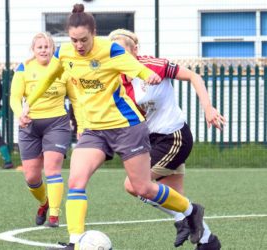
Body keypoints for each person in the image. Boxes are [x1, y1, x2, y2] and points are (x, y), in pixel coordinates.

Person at [24, 4, 207, 249]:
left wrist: (146, 76)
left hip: (126, 127)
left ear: (94, 32)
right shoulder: (65, 53)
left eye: (84, 40)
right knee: (76, 182)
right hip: (94, 130)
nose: (79, 45)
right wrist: (29, 105)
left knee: (142, 187)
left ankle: (190, 210)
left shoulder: (110, 50)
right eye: (74, 39)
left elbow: (136, 68)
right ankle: (75, 241)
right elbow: (49, 77)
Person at [109, 28, 224, 250]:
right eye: (114, 54)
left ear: (135, 51)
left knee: (134, 185)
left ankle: (184, 219)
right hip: (150, 141)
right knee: (176, 197)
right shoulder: (114, 79)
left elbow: (194, 76)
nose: (119, 58)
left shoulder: (153, 65)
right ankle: (208, 241)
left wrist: (208, 108)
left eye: (124, 52)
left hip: (174, 137)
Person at [10, 32, 71, 227]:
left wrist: (83, 123)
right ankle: (44, 203)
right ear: (33, 50)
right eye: (40, 47)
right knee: (31, 176)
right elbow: (14, 97)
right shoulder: (24, 68)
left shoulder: (62, 68)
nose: (44, 50)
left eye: (47, 46)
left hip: (57, 124)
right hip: (30, 125)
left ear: (53, 49)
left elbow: (76, 98)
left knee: (52, 169)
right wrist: (20, 114)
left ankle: (54, 214)